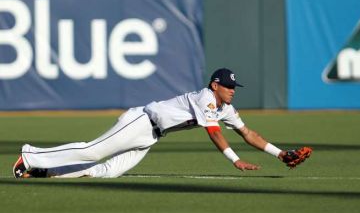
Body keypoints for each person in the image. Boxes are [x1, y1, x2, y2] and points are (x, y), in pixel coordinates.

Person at [12, 68, 312, 179]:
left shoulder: (226, 107)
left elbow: (249, 133)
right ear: (215, 85)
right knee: (93, 151)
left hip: (152, 136)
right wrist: (234, 160)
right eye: (228, 86)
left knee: (108, 172)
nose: (233, 90)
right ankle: (29, 155)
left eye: (235, 87)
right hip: (141, 121)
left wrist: (280, 153)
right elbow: (213, 132)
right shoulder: (207, 97)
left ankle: (46, 171)